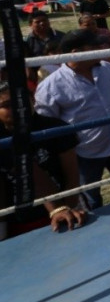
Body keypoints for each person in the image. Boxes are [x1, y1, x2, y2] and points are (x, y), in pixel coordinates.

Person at [33, 29, 110, 211]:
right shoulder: (51, 86)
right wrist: (66, 151)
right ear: (75, 53)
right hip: (84, 153)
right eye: (94, 46)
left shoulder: (107, 69)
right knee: (91, 203)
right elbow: (47, 122)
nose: (101, 48)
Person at [0, 80, 87, 239]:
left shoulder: (54, 127)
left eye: (21, 102)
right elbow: (27, 170)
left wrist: (64, 208)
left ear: (32, 100)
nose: (16, 109)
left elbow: (72, 175)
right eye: (6, 105)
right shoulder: (2, 138)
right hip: (18, 218)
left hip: (64, 204)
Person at [24, 11, 65, 87]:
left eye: (44, 20)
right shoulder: (27, 42)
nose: (42, 23)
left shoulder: (62, 37)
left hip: (63, 74)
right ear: (30, 25)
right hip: (39, 79)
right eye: (38, 22)